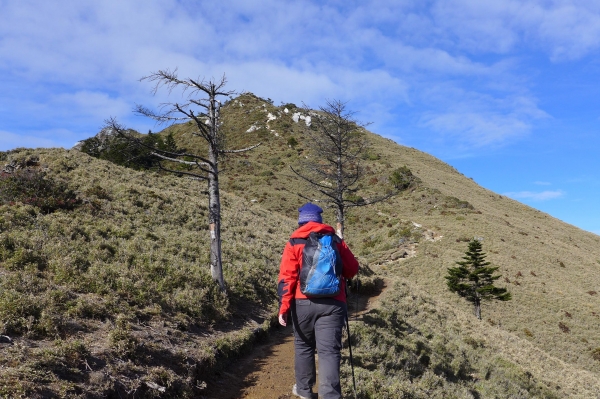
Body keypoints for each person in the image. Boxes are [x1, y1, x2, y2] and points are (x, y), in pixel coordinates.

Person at [278, 203, 359, 399]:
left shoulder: (294, 241)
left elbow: (287, 277)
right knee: (329, 352)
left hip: (302, 303)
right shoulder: (335, 241)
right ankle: (330, 395)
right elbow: (352, 269)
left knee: (303, 346)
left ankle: (304, 391)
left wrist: (284, 307)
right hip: (333, 304)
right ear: (319, 220)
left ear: (301, 221)